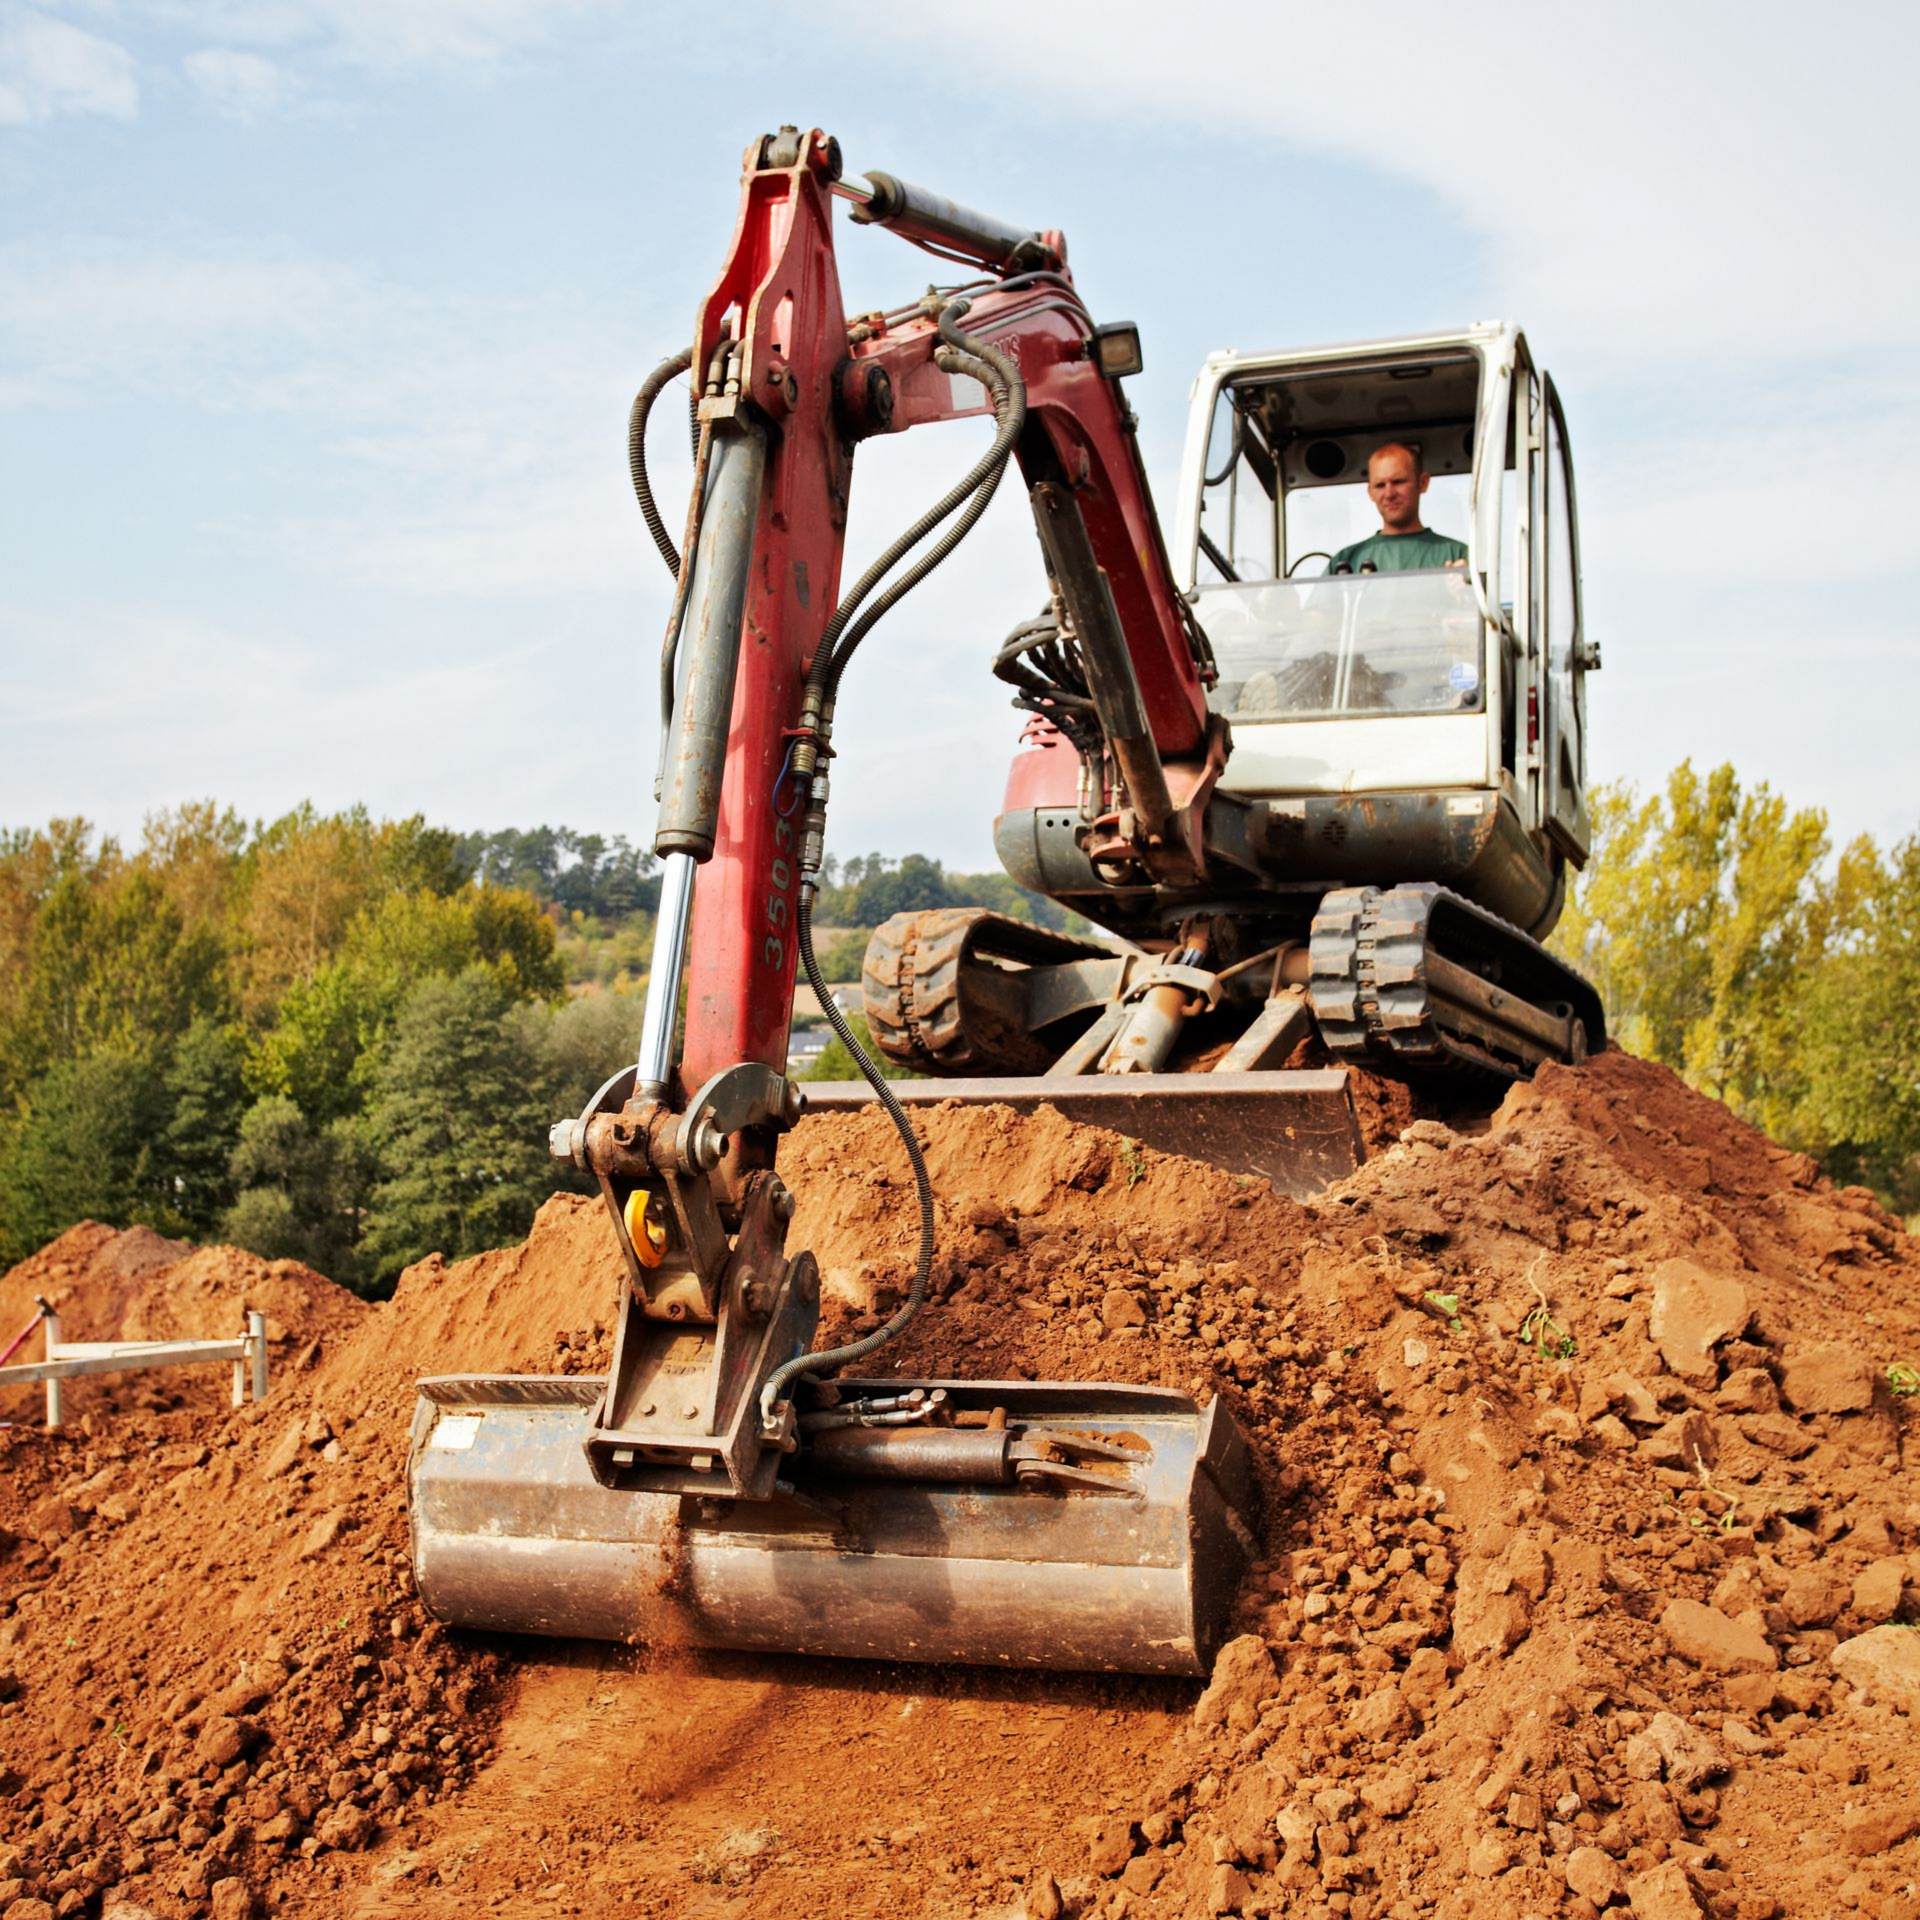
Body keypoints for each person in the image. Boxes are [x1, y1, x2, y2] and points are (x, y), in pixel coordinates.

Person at [1328, 442, 1468, 573]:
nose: (1389, 494)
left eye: (1398, 482)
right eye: (1380, 485)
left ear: (1422, 483)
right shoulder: (1345, 563)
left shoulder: (1458, 556)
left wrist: (1465, 594)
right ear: (1370, 492)